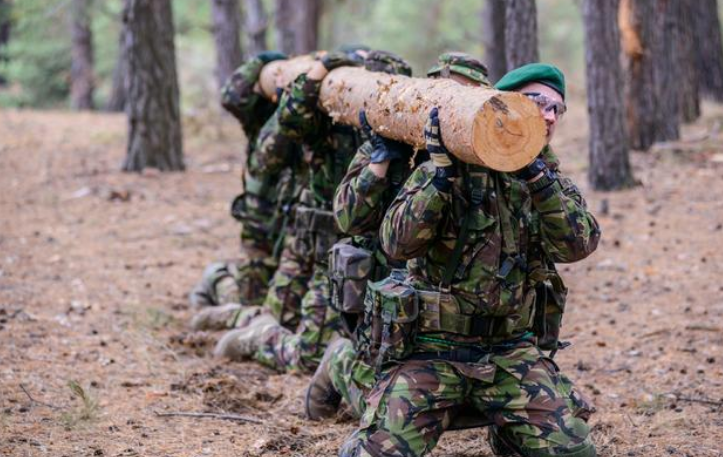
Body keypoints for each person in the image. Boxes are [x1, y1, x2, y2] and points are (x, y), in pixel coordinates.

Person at [338, 62, 601, 457]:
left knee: (574, 453)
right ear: (505, 105)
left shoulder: (547, 177)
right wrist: (440, 179)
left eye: (555, 109)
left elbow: (578, 245)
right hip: (432, 351)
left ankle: (509, 431)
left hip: (510, 352)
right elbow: (396, 244)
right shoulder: (442, 164)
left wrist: (535, 177)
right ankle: (346, 368)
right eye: (536, 102)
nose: (547, 115)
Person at [305, 53, 490, 421]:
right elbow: (346, 217)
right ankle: (341, 360)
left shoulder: (488, 154)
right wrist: (379, 162)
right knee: (385, 409)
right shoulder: (391, 140)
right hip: (395, 301)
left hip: (457, 307)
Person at [213, 47, 369, 372]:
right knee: (258, 300)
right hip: (287, 225)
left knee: (292, 321)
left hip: (334, 241)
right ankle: (220, 286)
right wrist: (278, 68)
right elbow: (242, 107)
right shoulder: (302, 112)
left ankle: (249, 319)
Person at [188, 51, 296, 315]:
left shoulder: (312, 114)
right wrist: (263, 62)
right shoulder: (260, 116)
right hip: (261, 224)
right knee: (250, 302)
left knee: (285, 308)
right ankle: (218, 278)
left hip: (293, 229)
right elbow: (232, 96)